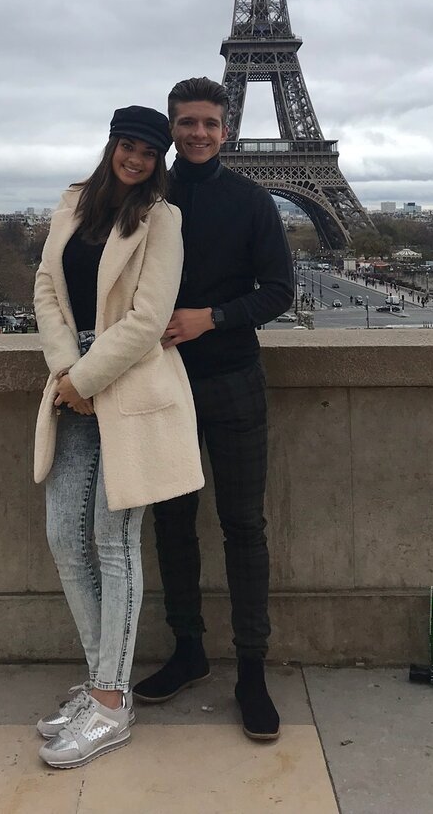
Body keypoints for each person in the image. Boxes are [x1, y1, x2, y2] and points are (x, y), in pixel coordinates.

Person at [32, 106, 204, 770]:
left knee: (113, 539)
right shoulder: (73, 202)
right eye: (127, 145)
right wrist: (65, 371)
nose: (135, 158)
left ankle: (109, 702)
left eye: (148, 151)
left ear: (159, 160)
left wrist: (85, 377)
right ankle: (104, 680)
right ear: (111, 145)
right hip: (71, 380)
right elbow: (47, 288)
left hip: (125, 383)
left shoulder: (161, 219)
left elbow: (148, 319)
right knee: (63, 536)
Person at [133, 76, 294, 742]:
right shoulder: (146, 197)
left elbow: (280, 290)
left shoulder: (251, 200)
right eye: (187, 122)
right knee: (172, 524)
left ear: (225, 129)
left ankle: (251, 669)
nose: (198, 132)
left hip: (231, 378)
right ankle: (190, 649)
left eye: (209, 123)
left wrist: (212, 317)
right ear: (172, 128)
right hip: (162, 382)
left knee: (242, 525)